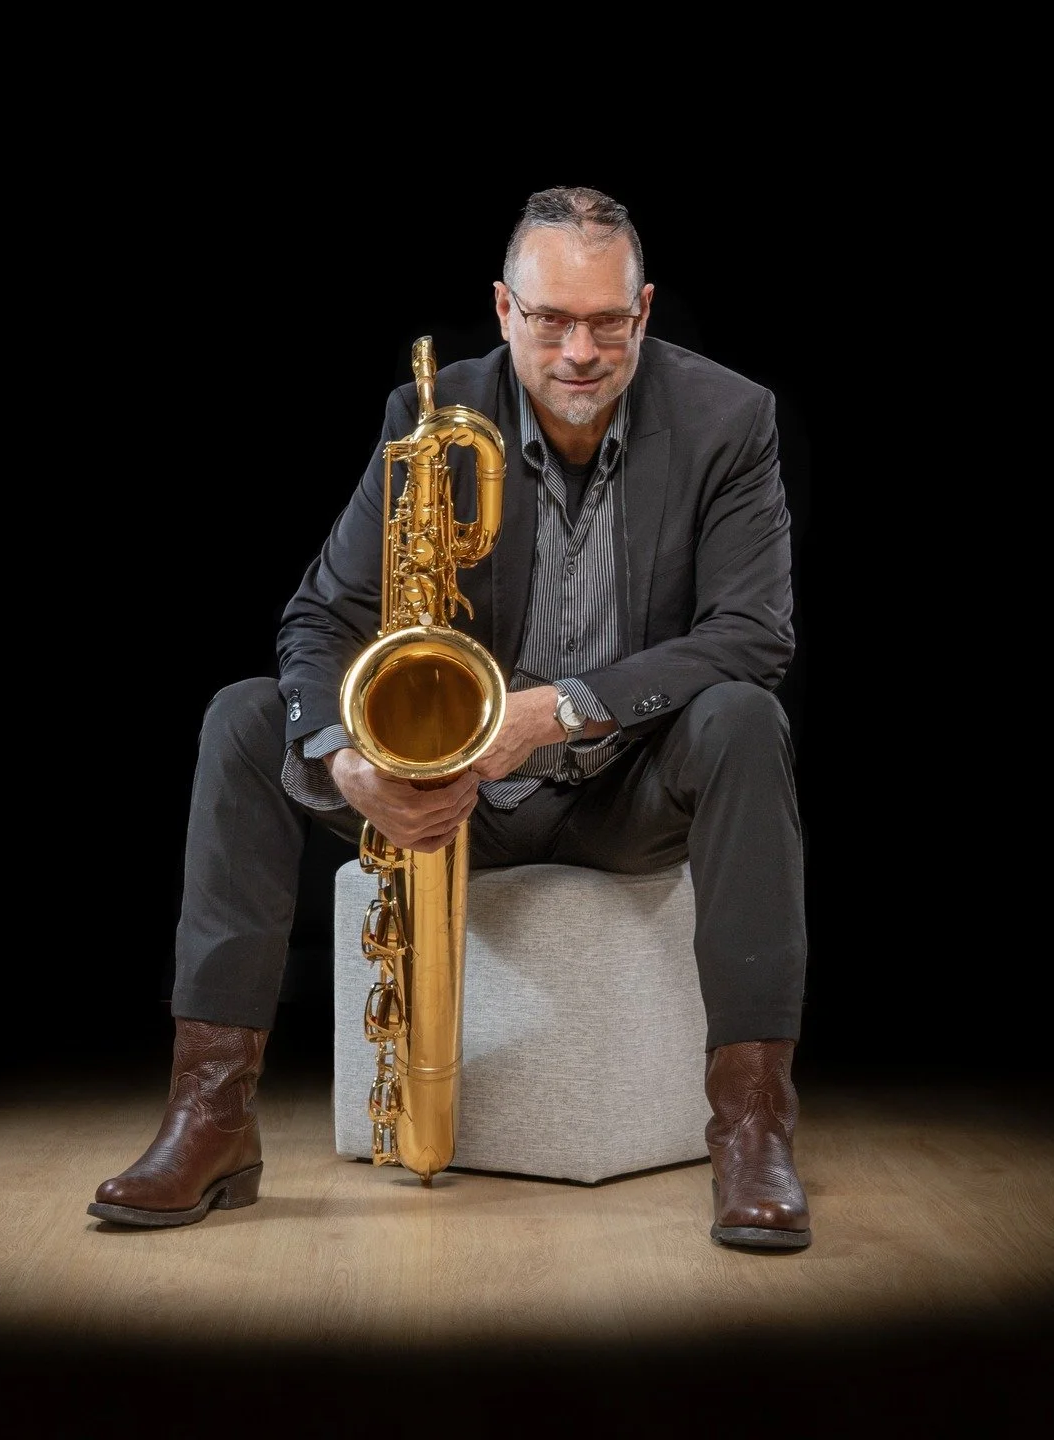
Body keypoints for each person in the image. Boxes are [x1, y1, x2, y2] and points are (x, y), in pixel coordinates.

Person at [89, 185, 811, 1250]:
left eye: (608, 322)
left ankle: (753, 1130)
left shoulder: (728, 420)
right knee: (247, 720)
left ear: (645, 312)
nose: (579, 350)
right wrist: (344, 762)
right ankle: (212, 1117)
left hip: (624, 788)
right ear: (504, 308)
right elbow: (318, 617)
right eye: (550, 319)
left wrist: (561, 710)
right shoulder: (426, 417)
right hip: (448, 793)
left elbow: (755, 632)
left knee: (746, 718)